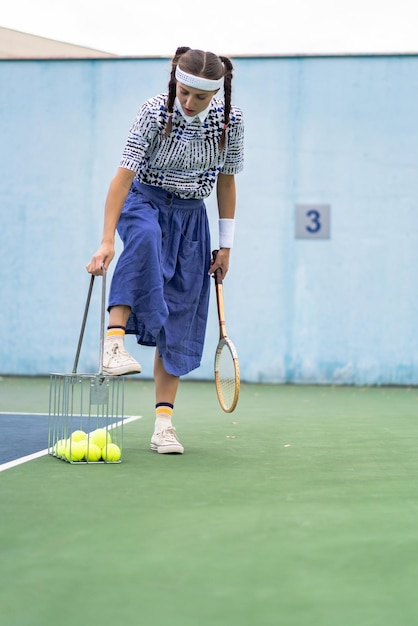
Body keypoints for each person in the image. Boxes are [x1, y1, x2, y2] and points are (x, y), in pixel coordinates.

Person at [86, 46, 244, 455]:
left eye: (199, 97)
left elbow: (226, 183)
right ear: (175, 81)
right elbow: (122, 178)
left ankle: (163, 426)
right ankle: (113, 343)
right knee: (142, 240)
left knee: (180, 316)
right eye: (183, 91)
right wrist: (106, 240)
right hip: (144, 202)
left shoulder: (231, 122)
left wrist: (225, 246)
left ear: (216, 94)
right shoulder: (154, 112)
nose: (188, 103)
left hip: (193, 219)